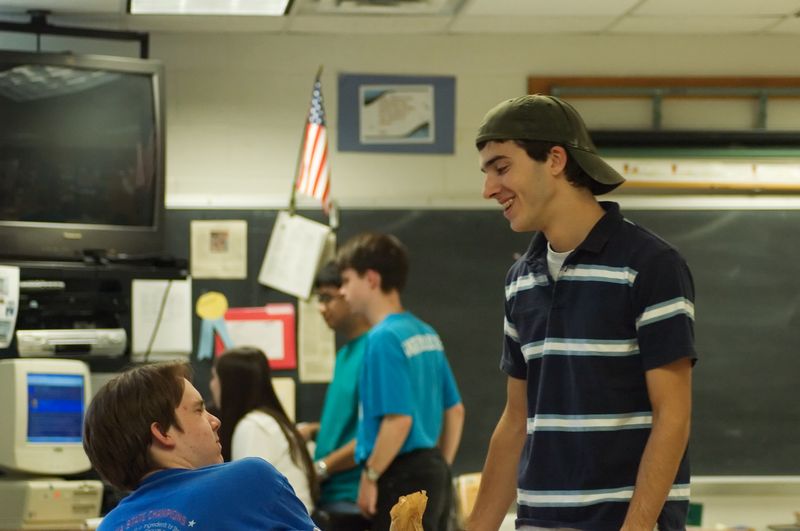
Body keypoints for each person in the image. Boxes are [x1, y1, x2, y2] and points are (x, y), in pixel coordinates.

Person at [466, 94, 697, 531]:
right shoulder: (520, 281)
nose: (488, 189)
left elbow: (673, 416)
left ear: (554, 159)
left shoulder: (650, 265)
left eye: (502, 167)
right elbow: (516, 421)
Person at [83, 361, 318, 531]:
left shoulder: (110, 525)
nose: (215, 421)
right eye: (199, 410)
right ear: (163, 432)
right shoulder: (250, 479)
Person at [336, 232, 466, 531]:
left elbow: (398, 421)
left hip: (397, 474)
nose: (343, 291)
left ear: (370, 279)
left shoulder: (383, 338)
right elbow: (456, 410)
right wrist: (439, 466)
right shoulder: (425, 333)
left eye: (346, 280)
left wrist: (370, 477)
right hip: (430, 470)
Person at [298, 261, 372, 529]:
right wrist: (314, 430)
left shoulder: (376, 350)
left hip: (353, 500)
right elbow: (351, 423)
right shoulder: (344, 355)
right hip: (329, 498)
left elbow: (375, 433)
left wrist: (321, 468)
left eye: (327, 298)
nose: (321, 308)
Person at [210, 346, 318, 511]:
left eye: (214, 377)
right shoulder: (268, 419)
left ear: (231, 384)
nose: (211, 385)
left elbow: (248, 497)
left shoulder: (253, 426)